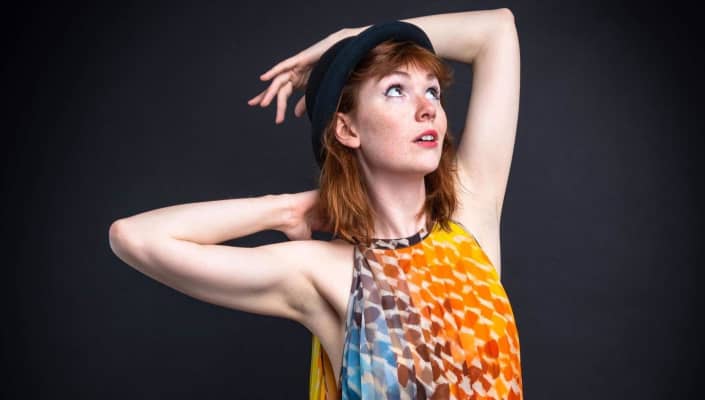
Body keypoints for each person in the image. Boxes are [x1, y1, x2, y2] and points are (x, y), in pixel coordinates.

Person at [109, 8, 521, 400]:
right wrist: (285, 209)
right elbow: (134, 237)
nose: (428, 107)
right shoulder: (328, 272)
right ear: (347, 128)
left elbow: (496, 30)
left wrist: (353, 37)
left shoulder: (468, 216)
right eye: (396, 90)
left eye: (432, 90)